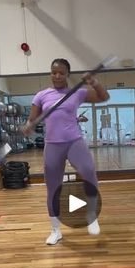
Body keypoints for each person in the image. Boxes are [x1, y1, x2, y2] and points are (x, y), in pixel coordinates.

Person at [23, 58, 109, 245]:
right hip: (53, 145)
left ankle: (92, 216)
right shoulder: (41, 96)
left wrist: (93, 82)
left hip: (74, 142)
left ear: (68, 74)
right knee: (52, 189)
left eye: (61, 72)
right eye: (54, 72)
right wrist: (28, 126)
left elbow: (104, 97)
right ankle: (55, 230)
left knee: (88, 172)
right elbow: (32, 119)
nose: (57, 76)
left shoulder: (77, 93)